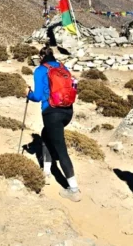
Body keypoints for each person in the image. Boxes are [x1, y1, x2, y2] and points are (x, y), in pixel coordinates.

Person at [27, 44, 81, 202]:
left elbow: (37, 97)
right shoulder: (62, 67)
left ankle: (74, 190)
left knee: (61, 149)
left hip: (52, 113)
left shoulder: (40, 70)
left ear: (41, 57)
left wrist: (28, 94)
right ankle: (47, 171)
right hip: (67, 111)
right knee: (46, 135)